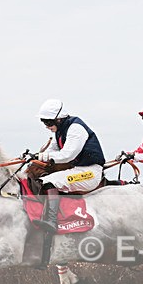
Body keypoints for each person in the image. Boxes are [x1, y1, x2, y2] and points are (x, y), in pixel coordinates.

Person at [32, 99, 106, 234]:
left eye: (48, 122)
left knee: (49, 182)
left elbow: (67, 155)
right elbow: (52, 150)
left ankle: (52, 221)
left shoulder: (76, 128)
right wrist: (35, 156)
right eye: (43, 122)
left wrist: (42, 157)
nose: (46, 126)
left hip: (90, 173)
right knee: (43, 180)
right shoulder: (59, 131)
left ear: (59, 119)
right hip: (77, 169)